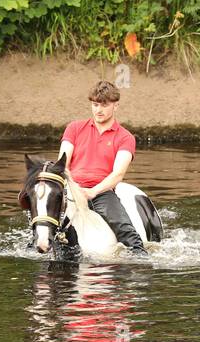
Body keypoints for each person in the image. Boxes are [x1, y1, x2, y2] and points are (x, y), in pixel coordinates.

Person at [59, 82, 148, 255]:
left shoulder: (125, 137)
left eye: (105, 105)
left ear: (116, 105)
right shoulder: (75, 128)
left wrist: (92, 192)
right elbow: (62, 164)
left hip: (101, 193)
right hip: (71, 189)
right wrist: (73, 188)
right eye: (95, 104)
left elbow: (118, 174)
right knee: (44, 220)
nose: (99, 110)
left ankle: (140, 257)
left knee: (126, 231)